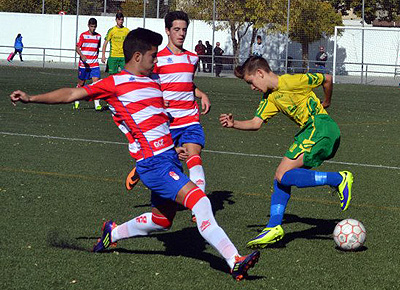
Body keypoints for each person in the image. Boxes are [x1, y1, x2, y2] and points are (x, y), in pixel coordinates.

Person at [10, 27, 260, 281]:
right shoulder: (115, 83)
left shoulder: (153, 82)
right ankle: (234, 260)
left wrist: (173, 147)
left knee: (161, 221)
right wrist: (31, 98)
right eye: (153, 56)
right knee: (201, 202)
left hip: (168, 159)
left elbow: (153, 122)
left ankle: (113, 233)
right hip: (153, 165)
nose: (157, 60)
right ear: (138, 56)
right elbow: (72, 94)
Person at [219, 56, 353, 249]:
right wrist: (234, 124)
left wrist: (326, 101)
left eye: (251, 82)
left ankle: (338, 179)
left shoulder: (292, 81)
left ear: (260, 73)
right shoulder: (271, 97)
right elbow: (256, 123)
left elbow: (327, 78)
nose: (252, 87)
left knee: (283, 174)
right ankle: (274, 227)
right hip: (311, 131)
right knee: (280, 176)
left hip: (320, 128)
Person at [126, 11, 211, 216]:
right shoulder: (158, 59)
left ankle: (198, 209)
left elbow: (187, 84)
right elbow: (149, 83)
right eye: (176, 30)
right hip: (167, 123)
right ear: (167, 31)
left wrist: (201, 94)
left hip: (190, 118)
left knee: (194, 156)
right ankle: (142, 166)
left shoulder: (193, 58)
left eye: (184, 30)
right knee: (167, 166)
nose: (181, 34)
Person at [74, 18, 102, 111]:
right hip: (84, 64)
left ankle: (97, 104)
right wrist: (82, 56)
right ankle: (76, 100)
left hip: (94, 64)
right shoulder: (83, 35)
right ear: (88, 26)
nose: (93, 29)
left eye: (94, 27)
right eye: (91, 26)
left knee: (96, 84)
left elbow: (97, 48)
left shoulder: (98, 36)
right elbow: (77, 48)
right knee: (81, 84)